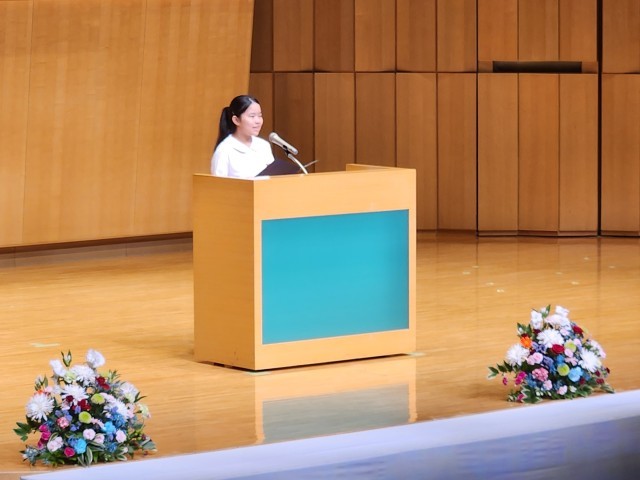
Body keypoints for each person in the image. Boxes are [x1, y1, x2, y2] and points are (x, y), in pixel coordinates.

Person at [210, 95, 275, 178]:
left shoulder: (263, 145)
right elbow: (218, 184)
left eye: (260, 116)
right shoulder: (225, 150)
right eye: (252, 116)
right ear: (236, 120)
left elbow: (273, 178)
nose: (258, 121)